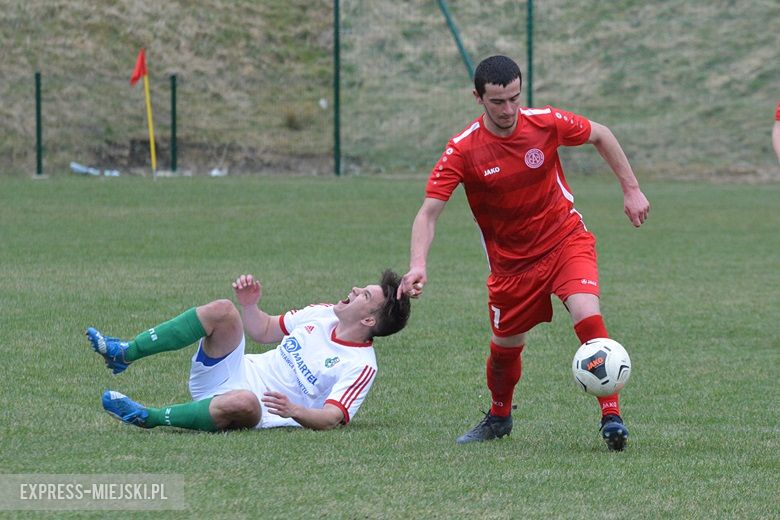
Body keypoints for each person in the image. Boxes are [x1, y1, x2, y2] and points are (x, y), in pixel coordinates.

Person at [397, 55, 650, 451]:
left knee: (587, 313)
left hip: (564, 239)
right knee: (504, 349)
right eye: (498, 102)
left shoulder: (545, 122)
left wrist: (631, 189)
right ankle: (499, 417)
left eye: (515, 98)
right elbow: (428, 213)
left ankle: (612, 416)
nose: (509, 110)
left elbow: (601, 133)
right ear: (478, 97)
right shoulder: (463, 151)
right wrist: (418, 265)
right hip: (512, 266)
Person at [88, 270, 410, 432]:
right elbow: (264, 330)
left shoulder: (361, 365)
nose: (355, 289)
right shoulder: (323, 313)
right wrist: (250, 305)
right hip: (232, 371)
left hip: (258, 408)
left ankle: (150, 418)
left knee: (245, 400)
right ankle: (124, 352)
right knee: (223, 310)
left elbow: (333, 418)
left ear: (369, 319)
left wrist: (293, 410)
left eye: (365, 295)